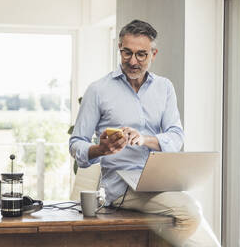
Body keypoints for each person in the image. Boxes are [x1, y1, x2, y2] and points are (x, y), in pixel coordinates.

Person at [69, 19, 220, 247]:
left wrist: (143, 139)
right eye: (127, 53)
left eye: (141, 55)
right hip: (121, 186)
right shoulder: (98, 90)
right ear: (119, 48)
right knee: (190, 213)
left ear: (153, 54)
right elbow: (76, 143)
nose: (133, 61)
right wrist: (100, 149)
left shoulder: (165, 88)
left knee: (199, 231)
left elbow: (176, 135)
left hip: (159, 181)